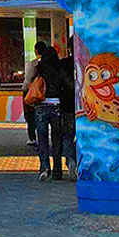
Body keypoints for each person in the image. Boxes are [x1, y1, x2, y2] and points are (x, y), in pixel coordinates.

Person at [34, 45, 74, 180]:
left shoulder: (39, 69)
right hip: (56, 106)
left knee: (42, 139)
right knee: (56, 139)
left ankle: (44, 168)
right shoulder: (59, 70)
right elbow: (71, 85)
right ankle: (57, 171)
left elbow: (31, 84)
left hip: (40, 106)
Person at [22, 48, 43, 146]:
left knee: (30, 116)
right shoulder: (51, 64)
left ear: (36, 51)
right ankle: (42, 138)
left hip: (33, 92)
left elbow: (28, 78)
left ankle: (32, 138)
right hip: (46, 94)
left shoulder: (33, 64)